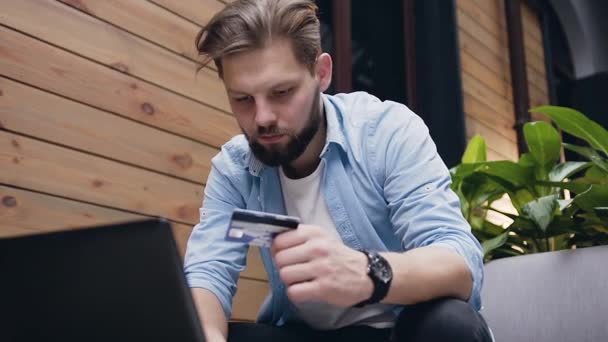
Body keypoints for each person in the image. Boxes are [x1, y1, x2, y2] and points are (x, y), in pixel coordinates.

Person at [184, 0, 492, 341]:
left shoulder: (386, 132)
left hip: (398, 331)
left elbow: (458, 261)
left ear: (322, 73)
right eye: (242, 99)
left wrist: (370, 273)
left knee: (450, 324)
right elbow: (209, 270)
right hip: (305, 334)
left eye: (282, 92)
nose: (262, 118)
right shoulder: (237, 170)